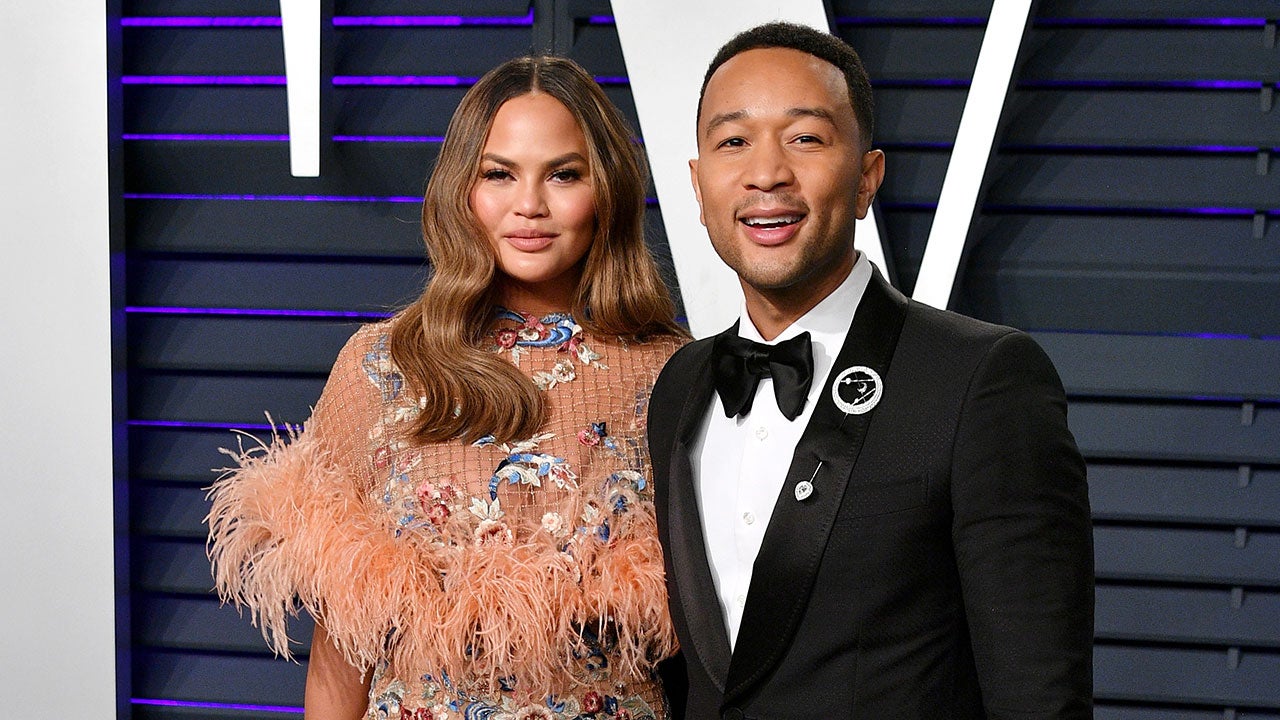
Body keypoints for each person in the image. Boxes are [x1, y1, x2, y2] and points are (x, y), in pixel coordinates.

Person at [208, 55, 687, 720]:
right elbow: (342, 642)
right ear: (463, 187)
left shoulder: (674, 374)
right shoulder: (379, 367)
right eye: (500, 174)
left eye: (563, 174)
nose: (530, 205)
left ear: (605, 188)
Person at [647, 22, 1094, 718]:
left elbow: (1038, 695)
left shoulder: (982, 379)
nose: (766, 173)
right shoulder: (680, 386)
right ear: (699, 187)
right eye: (733, 141)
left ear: (866, 179)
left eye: (806, 138)